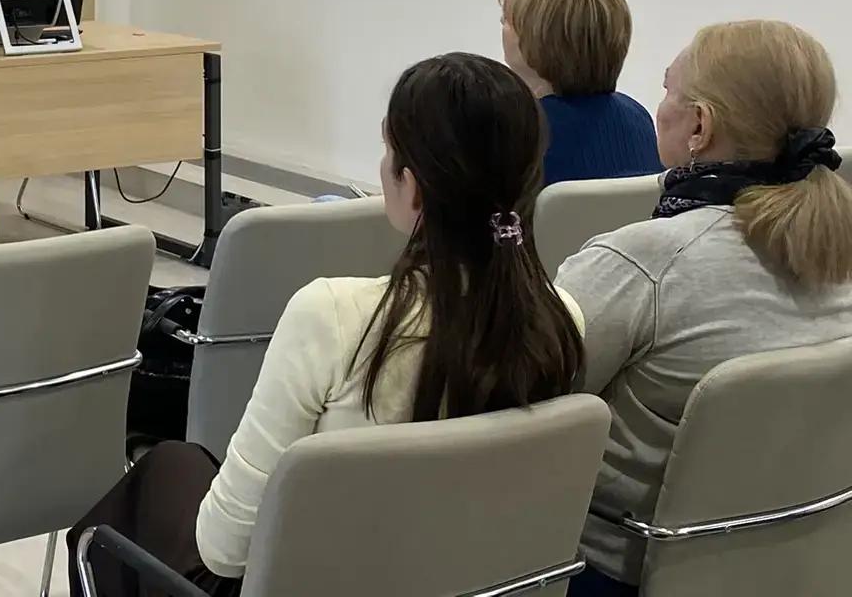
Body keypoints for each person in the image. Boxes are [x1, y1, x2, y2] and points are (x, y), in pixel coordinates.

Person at [69, 53, 585, 597]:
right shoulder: (560, 321)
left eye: (388, 151)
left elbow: (223, 548)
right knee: (178, 464)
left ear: (414, 187)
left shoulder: (334, 317)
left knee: (145, 491)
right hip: (482, 583)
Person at [558, 20, 852, 597]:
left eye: (667, 90)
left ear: (699, 126)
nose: (659, 107)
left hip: (615, 571)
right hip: (802, 566)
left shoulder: (645, 262)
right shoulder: (838, 252)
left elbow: (519, 403)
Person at [498, 0, 662, 185]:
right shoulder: (637, 117)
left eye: (508, 20)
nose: (501, 23)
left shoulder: (517, 134)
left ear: (540, 42)